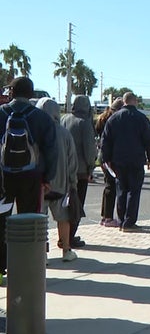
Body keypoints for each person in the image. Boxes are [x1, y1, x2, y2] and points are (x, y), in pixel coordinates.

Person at [0, 78, 60, 278]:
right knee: (29, 221)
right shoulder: (42, 118)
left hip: (2, 178)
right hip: (32, 177)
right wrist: (47, 178)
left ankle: (0, 268)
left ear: (11, 92)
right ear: (32, 94)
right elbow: (52, 150)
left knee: (1, 221)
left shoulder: (1, 114)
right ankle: (25, 270)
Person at [100, 92, 150, 232]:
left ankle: (121, 220)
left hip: (118, 160)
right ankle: (129, 222)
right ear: (135, 101)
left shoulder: (113, 119)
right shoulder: (142, 119)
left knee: (121, 190)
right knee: (134, 191)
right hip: (136, 159)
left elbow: (105, 140)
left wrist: (106, 159)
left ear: (124, 102)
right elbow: (149, 140)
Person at [37, 98, 79, 262]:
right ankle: (66, 250)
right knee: (63, 218)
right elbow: (72, 161)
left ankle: (42, 254)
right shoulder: (64, 133)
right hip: (61, 185)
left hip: (40, 185)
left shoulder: (37, 131)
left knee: (41, 221)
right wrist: (72, 182)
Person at [60, 94, 96, 248]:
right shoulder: (85, 123)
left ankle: (64, 236)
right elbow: (89, 149)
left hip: (63, 169)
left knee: (63, 205)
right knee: (76, 204)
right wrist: (90, 167)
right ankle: (71, 237)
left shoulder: (64, 119)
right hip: (80, 171)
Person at [95, 98, 122, 227]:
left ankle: (105, 216)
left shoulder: (102, 119)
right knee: (111, 187)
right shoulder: (114, 121)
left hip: (102, 156)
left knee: (108, 186)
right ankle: (109, 218)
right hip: (109, 157)